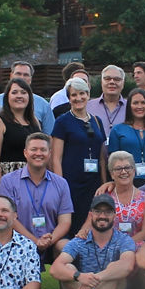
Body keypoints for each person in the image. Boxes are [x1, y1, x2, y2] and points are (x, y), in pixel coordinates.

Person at [46, 194, 136, 289]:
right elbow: (55, 269)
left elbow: (127, 266)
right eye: (98, 211)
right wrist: (79, 276)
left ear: (114, 215)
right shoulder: (79, 241)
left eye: (107, 212)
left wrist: (95, 278)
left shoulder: (124, 239)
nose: (102, 216)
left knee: (114, 269)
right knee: (68, 269)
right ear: (91, 215)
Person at [0, 132, 73, 260]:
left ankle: (69, 278)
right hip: (18, 240)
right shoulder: (8, 181)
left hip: (51, 241)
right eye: (34, 149)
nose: (38, 153)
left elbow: (65, 221)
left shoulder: (61, 183)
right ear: (25, 153)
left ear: (49, 153)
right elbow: (9, 218)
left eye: (43, 150)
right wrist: (35, 241)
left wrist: (48, 241)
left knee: (68, 247)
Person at [51, 77, 108, 233]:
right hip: (71, 184)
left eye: (82, 94)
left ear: (88, 95)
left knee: (94, 222)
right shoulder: (62, 122)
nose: (78, 98)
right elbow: (56, 157)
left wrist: (104, 182)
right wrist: (60, 187)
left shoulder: (97, 121)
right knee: (73, 225)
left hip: (93, 183)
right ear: (69, 98)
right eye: (74, 95)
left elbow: (102, 157)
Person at [107, 88, 145, 184]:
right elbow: (113, 162)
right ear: (129, 106)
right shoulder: (117, 130)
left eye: (143, 103)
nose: (139, 106)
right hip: (127, 183)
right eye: (135, 103)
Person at [0, 77, 40, 184]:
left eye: (23, 92)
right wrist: (1, 189)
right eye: (14, 92)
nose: (19, 96)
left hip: (33, 180)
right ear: (7, 97)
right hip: (9, 180)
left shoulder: (34, 121)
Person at [93, 151, 145, 245]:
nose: (124, 172)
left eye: (127, 167)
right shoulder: (104, 195)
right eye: (118, 169)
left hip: (136, 246)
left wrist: (124, 245)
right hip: (107, 246)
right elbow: (92, 224)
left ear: (134, 171)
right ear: (112, 174)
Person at [0, 61, 55, 132]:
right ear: (11, 76)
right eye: (18, 74)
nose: (22, 77)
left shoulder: (43, 105)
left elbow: (49, 135)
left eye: (26, 75)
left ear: (31, 79)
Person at [86, 65, 128, 134]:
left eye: (117, 79)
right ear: (101, 82)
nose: (112, 82)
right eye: (107, 79)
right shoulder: (88, 107)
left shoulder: (130, 108)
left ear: (123, 83)